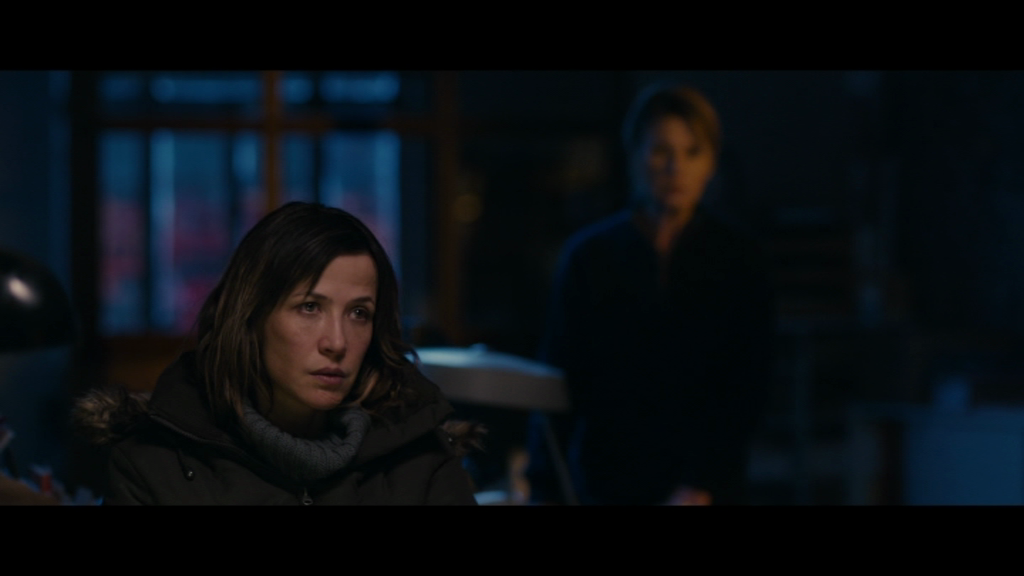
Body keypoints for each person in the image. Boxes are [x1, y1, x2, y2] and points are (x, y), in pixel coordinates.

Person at [75, 202, 480, 505]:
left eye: (359, 313)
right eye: (310, 307)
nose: (337, 342)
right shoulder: (155, 465)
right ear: (252, 317)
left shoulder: (420, 458)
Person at [526, 84, 774, 505]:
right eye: (661, 151)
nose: (675, 168)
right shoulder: (591, 257)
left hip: (708, 487)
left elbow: (748, 385)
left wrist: (704, 481)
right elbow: (561, 376)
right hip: (610, 481)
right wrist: (544, 486)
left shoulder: (739, 258)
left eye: (692, 152)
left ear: (710, 163)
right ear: (636, 155)